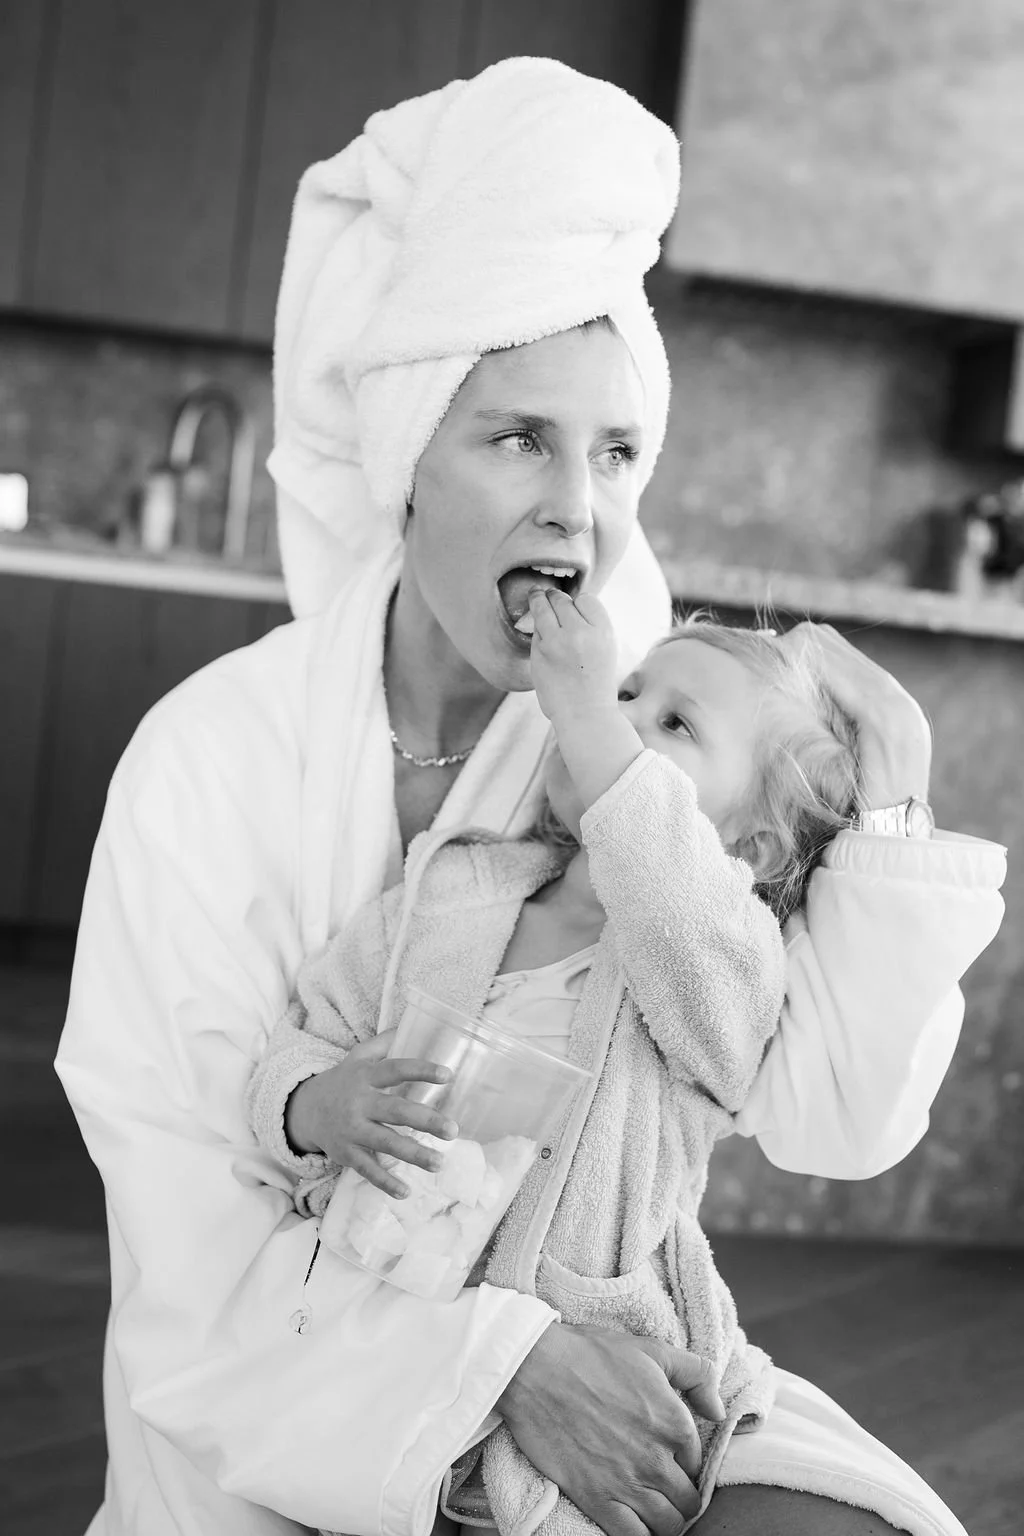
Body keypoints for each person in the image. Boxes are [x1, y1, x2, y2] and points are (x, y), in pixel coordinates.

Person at [55, 58, 1005, 1536]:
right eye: (518, 438)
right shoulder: (208, 762)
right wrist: (502, 1363)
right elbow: (198, 1236)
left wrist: (884, 824)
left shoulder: (633, 714)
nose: (583, 509)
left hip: (641, 1334)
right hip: (304, 1382)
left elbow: (819, 1110)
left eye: (617, 452)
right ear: (407, 459)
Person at [246, 597, 869, 1536]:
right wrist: (315, 1104)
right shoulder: (448, 891)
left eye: (674, 725)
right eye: (625, 691)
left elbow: (670, 890)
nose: (616, 718)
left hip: (614, 1363)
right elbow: (308, 1037)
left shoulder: (717, 960)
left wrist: (583, 711)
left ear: (750, 847)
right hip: (396, 1340)